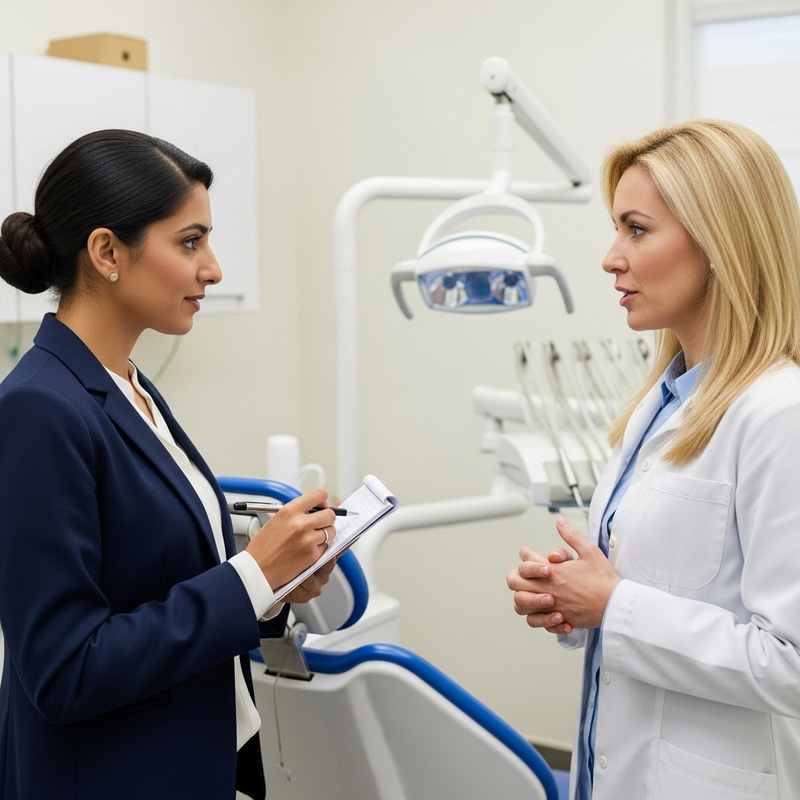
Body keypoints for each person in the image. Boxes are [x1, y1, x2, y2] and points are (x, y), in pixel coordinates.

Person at [0, 129, 339, 800]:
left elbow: (160, 587)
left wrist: (272, 589)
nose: (211, 267)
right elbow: (65, 670)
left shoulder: (126, 384)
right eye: (190, 242)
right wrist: (250, 577)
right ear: (107, 252)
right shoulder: (39, 408)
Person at [507, 119, 800, 799]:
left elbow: (790, 664)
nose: (612, 257)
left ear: (719, 242)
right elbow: (658, 591)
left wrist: (613, 605)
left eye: (636, 230)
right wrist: (573, 599)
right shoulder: (660, 403)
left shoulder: (779, 415)